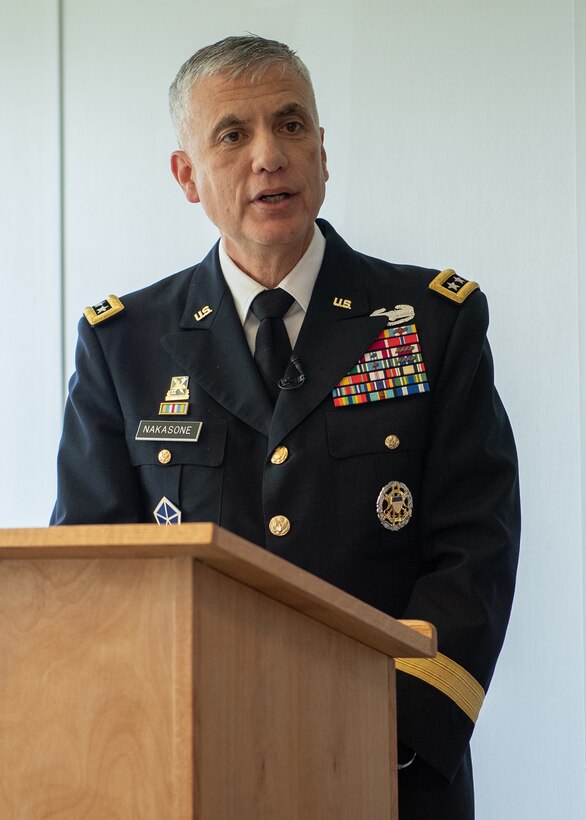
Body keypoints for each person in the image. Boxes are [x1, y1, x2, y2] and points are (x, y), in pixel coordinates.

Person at [51, 34, 520, 819]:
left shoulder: (433, 323)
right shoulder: (123, 344)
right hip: (189, 770)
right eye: (233, 134)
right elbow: (97, 581)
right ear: (187, 176)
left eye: (292, 125)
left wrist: (379, 726)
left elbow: (476, 549)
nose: (269, 154)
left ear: (324, 155)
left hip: (388, 769)